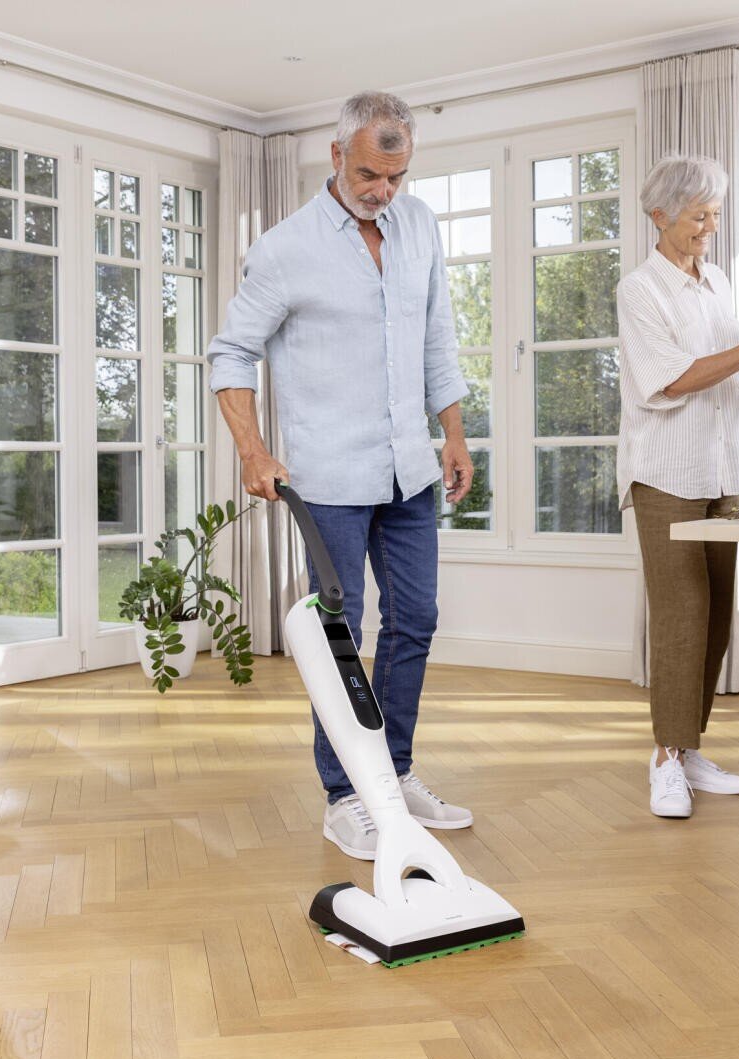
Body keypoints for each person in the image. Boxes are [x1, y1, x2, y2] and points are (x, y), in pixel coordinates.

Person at [206, 91, 474, 859]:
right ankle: (345, 794)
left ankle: (394, 773)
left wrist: (451, 433)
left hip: (409, 471)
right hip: (326, 477)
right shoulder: (285, 248)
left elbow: (438, 338)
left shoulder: (417, 225)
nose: (381, 191)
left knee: (414, 623)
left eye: (394, 176)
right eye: (367, 173)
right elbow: (230, 354)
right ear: (334, 156)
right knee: (339, 636)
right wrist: (253, 451)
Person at [616, 154, 739, 819]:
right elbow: (673, 379)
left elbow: (727, 377)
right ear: (659, 217)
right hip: (666, 473)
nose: (709, 227)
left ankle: (689, 747)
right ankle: (665, 760)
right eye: (698, 215)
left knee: (717, 613)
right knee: (680, 617)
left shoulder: (716, 282)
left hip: (721, 472)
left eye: (715, 214)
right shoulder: (639, 290)